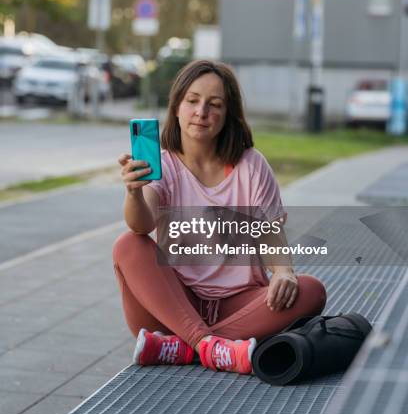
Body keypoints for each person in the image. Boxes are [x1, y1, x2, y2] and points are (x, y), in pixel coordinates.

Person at [113, 60, 326, 375]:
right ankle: (210, 347)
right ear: (176, 107)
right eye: (193, 101)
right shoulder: (164, 164)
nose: (201, 112)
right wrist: (133, 192)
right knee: (129, 245)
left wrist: (283, 272)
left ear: (228, 115)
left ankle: (186, 349)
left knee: (310, 290)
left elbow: (270, 233)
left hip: (239, 305)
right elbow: (141, 224)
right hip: (171, 307)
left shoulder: (251, 166)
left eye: (215, 105)